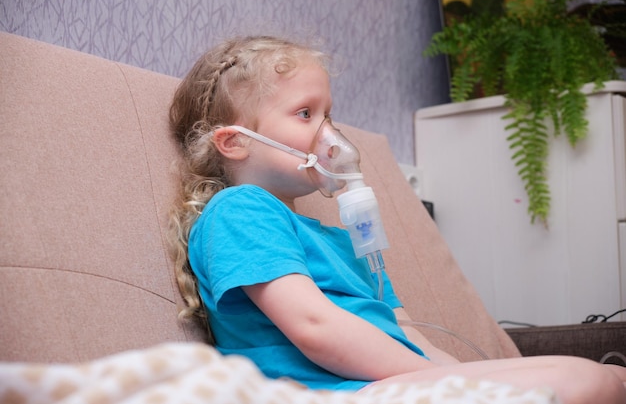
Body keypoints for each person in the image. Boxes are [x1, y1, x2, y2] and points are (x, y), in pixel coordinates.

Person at [167, 35, 626, 403]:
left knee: (607, 378)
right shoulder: (240, 210)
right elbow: (315, 328)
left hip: (380, 382)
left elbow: (407, 334)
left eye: (329, 115)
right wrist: (445, 382)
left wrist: (457, 376)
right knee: (589, 385)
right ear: (233, 142)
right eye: (306, 113)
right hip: (327, 390)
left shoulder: (340, 241)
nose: (329, 134)